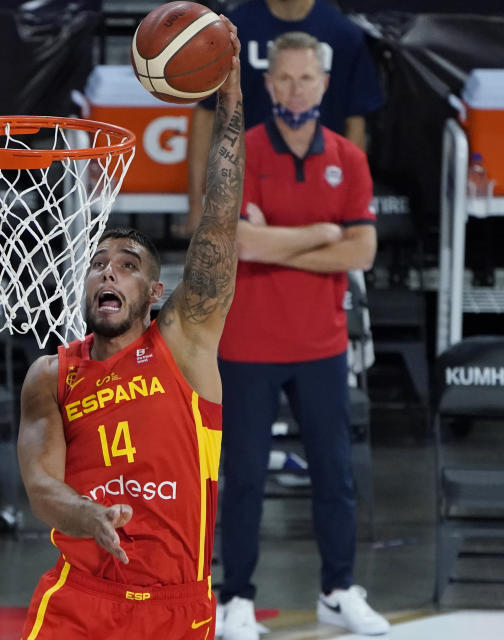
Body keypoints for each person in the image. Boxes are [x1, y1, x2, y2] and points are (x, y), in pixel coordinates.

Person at [16, 19, 242, 640]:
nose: (107, 272)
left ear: (155, 294)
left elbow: (219, 230)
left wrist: (230, 107)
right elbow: (40, 485)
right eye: (97, 265)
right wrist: (85, 515)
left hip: (177, 605)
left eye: (127, 265)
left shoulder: (185, 347)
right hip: (80, 596)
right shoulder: (51, 373)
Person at [215, 32, 386, 640]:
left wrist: (282, 239)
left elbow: (362, 250)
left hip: (321, 344)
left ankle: (338, 591)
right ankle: (234, 597)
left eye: (305, 78)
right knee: (245, 478)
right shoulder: (240, 154)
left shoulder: (350, 157)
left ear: (323, 83)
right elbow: (241, 243)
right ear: (268, 85)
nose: (294, 89)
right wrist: (323, 232)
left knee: (334, 478)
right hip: (248, 346)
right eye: (283, 78)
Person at [185, 0, 382, 236]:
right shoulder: (232, 31)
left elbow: (355, 124)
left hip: (320, 188)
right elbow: (207, 114)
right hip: (246, 187)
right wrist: (196, 205)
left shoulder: (345, 34)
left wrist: (348, 202)